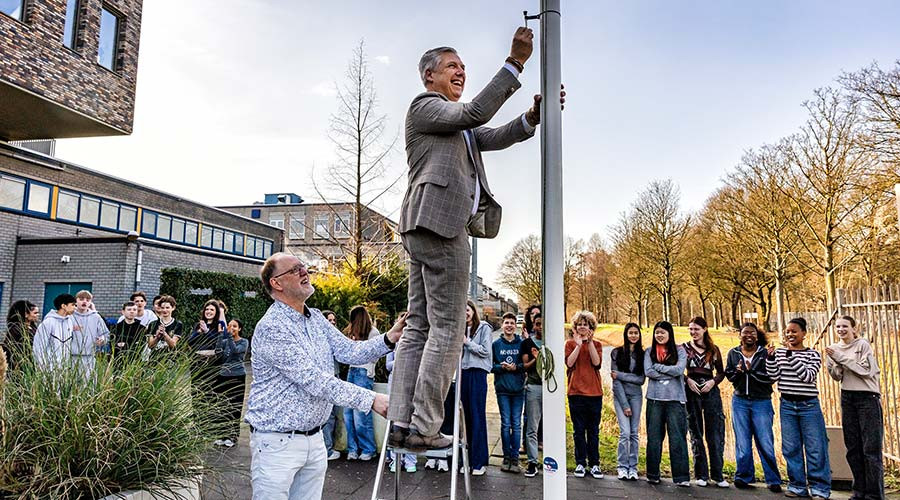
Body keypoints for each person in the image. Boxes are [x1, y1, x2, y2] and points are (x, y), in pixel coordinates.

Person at [388, 27, 559, 452]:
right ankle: (425, 426)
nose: (461, 71)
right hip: (442, 226)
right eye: (452, 66)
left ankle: (401, 421)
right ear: (429, 76)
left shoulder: (453, 124)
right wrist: (516, 62)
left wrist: (531, 120)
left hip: (420, 225)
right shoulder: (426, 107)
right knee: (446, 327)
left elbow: (489, 135)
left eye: (464, 66)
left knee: (419, 326)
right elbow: (477, 113)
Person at [245, 252, 405, 500]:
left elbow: (349, 351)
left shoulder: (316, 318)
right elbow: (314, 380)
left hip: (315, 439)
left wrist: (389, 338)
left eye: (303, 267)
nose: (304, 272)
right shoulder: (272, 327)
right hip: (278, 443)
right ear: (276, 283)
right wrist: (372, 399)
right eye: (294, 270)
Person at [766, 317, 830, 499]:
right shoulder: (780, 353)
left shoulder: (813, 355)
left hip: (808, 405)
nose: (790, 334)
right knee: (791, 448)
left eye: (794, 331)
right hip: (787, 404)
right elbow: (774, 376)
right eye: (788, 331)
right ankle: (797, 485)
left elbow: (808, 376)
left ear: (804, 334)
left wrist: (791, 358)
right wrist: (770, 359)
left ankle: (819, 488)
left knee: (815, 447)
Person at [826, 315, 883, 500]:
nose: (841, 330)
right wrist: (835, 364)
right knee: (853, 448)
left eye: (845, 326)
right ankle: (859, 490)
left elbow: (866, 371)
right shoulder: (834, 349)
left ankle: (874, 494)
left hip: (867, 397)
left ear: (853, 328)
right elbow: (836, 376)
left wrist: (841, 358)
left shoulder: (862, 345)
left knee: (870, 449)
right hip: (848, 397)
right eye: (838, 327)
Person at [724, 322, 782, 492]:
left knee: (765, 440)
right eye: (745, 333)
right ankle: (744, 476)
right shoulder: (733, 353)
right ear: (740, 335)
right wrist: (740, 372)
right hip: (740, 400)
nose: (749, 335)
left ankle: (772, 479)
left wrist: (752, 373)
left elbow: (771, 377)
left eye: (752, 333)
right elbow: (730, 376)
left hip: (761, 401)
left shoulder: (765, 353)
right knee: (742, 441)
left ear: (757, 336)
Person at [682, 316, 727, 488]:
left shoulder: (713, 350)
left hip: (710, 391)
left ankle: (718, 474)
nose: (693, 332)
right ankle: (701, 474)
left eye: (696, 329)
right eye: (691, 329)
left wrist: (713, 382)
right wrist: (688, 380)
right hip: (691, 390)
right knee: (695, 432)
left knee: (714, 432)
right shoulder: (684, 348)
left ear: (705, 329)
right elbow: (679, 370)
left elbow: (722, 373)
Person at [644, 320, 690, 487]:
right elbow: (648, 371)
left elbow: (679, 370)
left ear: (670, 334)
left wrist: (660, 368)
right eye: (657, 332)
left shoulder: (680, 350)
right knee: (654, 438)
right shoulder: (649, 352)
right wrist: (668, 373)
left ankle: (682, 476)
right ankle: (652, 474)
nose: (660, 335)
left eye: (663, 332)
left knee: (678, 438)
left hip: (675, 400)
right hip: (655, 399)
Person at [565, 310, 604, 479]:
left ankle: (595, 464)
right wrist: (579, 344)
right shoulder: (569, 344)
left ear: (591, 327)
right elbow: (569, 363)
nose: (582, 327)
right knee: (578, 431)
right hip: (576, 392)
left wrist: (589, 343)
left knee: (593, 431)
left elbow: (596, 363)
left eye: (585, 324)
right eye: (579, 324)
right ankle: (580, 462)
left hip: (594, 393)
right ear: (575, 327)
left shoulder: (597, 345)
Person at [458, 300, 492, 476]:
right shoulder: (460, 329)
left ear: (473, 311)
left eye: (468, 309)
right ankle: (467, 460)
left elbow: (485, 351)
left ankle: (479, 462)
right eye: (462, 310)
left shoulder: (484, 328)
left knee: (477, 416)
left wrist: (467, 342)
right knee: (465, 419)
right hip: (463, 374)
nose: (465, 313)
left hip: (477, 374)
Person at [342, 305, 379, 461]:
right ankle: (353, 448)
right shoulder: (353, 334)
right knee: (348, 414)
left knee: (361, 415)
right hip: (352, 371)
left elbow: (376, 354)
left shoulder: (373, 333)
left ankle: (368, 448)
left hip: (364, 373)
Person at [610, 322, 645, 481]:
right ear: (626, 334)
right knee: (624, 433)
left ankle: (633, 467)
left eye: (636, 333)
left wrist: (621, 375)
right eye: (630, 333)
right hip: (621, 396)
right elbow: (615, 382)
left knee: (634, 433)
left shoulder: (643, 355)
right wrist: (625, 405)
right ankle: (622, 467)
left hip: (636, 396)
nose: (633, 335)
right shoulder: (616, 353)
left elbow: (641, 379)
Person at [491, 312, 525, 473]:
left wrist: (516, 367)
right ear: (503, 325)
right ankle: (505, 458)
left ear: (515, 325)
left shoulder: (521, 343)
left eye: (512, 322)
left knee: (516, 424)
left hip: (518, 390)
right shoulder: (496, 344)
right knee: (506, 424)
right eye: (507, 323)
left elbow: (527, 365)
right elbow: (490, 365)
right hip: (502, 389)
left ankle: (515, 458)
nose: (510, 325)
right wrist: (501, 367)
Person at [215, 318, 249, 448]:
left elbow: (235, 352)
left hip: (238, 376)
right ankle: (222, 434)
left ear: (239, 329)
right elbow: (218, 353)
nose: (231, 328)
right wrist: (220, 335)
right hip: (223, 375)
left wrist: (228, 336)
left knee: (235, 406)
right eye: (229, 326)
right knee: (223, 405)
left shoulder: (244, 342)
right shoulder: (225, 341)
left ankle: (233, 436)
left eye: (234, 326)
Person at [386, 348, 418, 473]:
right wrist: (401, 361)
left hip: (411, 385)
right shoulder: (393, 345)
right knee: (396, 425)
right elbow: (388, 365)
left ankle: (411, 460)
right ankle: (396, 459)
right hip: (394, 385)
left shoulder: (418, 340)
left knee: (412, 424)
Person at [520, 312, 544, 478]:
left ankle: (552, 461)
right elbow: (525, 366)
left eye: (543, 324)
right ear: (533, 325)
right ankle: (532, 461)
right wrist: (537, 358)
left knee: (552, 427)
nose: (540, 327)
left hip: (550, 389)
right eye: (537, 324)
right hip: (534, 387)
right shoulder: (527, 343)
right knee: (532, 427)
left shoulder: (553, 341)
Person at [32, 294, 77, 372]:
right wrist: (42, 365)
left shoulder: (70, 321)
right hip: (49, 368)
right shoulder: (48, 322)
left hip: (64, 368)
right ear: (63, 306)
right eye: (73, 305)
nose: (75, 308)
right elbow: (38, 346)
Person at [320, 310, 343, 461]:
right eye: (329, 320)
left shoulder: (333, 336)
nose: (333, 323)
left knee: (332, 415)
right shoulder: (323, 338)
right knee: (328, 416)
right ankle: (327, 450)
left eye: (334, 320)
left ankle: (327, 448)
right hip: (328, 378)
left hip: (335, 376)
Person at [71, 290, 109, 376]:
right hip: (71, 357)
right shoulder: (70, 316)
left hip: (89, 357)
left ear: (90, 303)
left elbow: (106, 334)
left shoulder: (96, 317)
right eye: (81, 299)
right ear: (76, 301)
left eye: (88, 300)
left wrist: (102, 339)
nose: (84, 301)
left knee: (88, 386)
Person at [4, 299, 39, 371]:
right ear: (26, 314)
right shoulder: (15, 329)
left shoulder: (33, 328)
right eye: (35, 313)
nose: (37, 315)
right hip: (18, 366)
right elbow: (9, 347)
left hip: (32, 363)